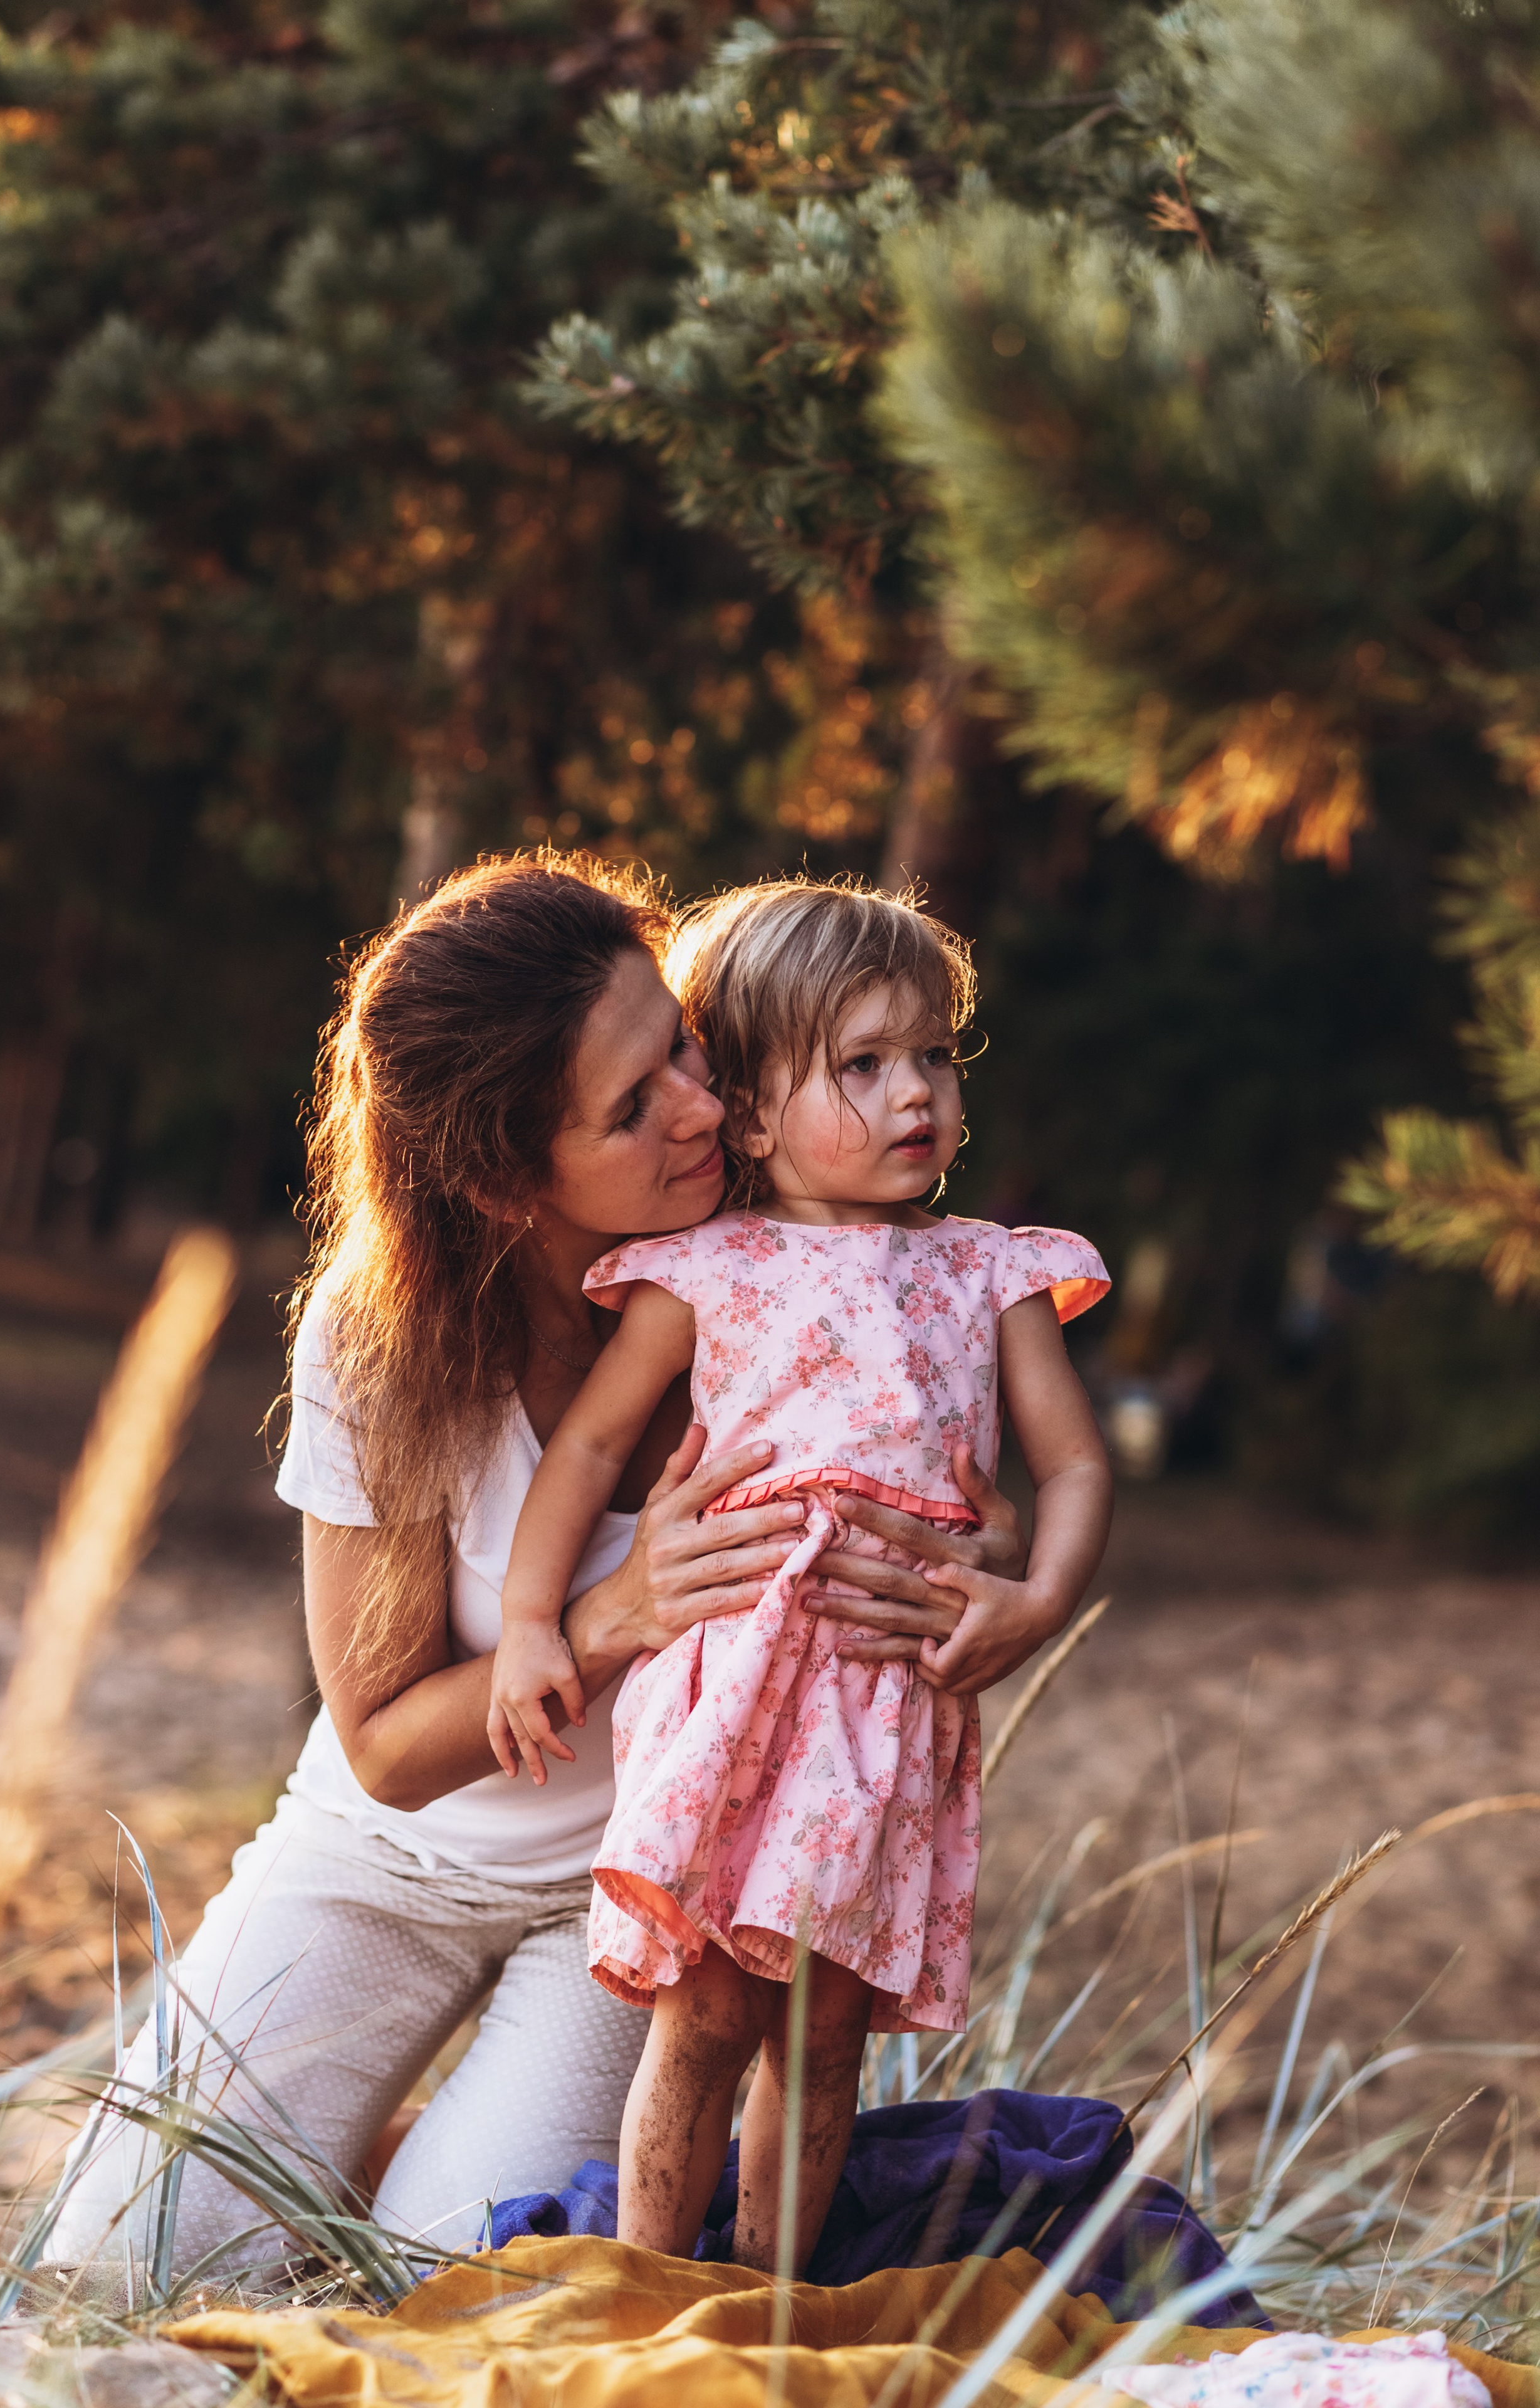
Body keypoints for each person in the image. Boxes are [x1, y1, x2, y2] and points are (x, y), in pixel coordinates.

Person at [50, 853, 1037, 2288]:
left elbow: (957, 1486)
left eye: (683, 1047)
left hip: (627, 1899)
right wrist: (608, 1616)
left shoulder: (789, 1273)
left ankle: (404, 2171)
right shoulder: (377, 1340)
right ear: (509, 1175)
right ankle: (337, 2144)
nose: (701, 1106)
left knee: (447, 2293)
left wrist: (988, 1566)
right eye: (633, 1107)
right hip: (375, 1863)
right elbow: (386, 1747)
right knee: (117, 2272)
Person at [491, 878, 1113, 2272]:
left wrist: (1036, 1597)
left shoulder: (989, 1274)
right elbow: (591, 1447)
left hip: (887, 1702)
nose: (916, 1095)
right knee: (708, 2008)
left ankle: (769, 2294)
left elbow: (1072, 1468)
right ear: (756, 1114)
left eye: (935, 1058)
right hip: (734, 1685)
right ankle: (649, 2288)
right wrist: (535, 1617)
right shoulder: (704, 1270)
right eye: (864, 1064)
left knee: (827, 2025)